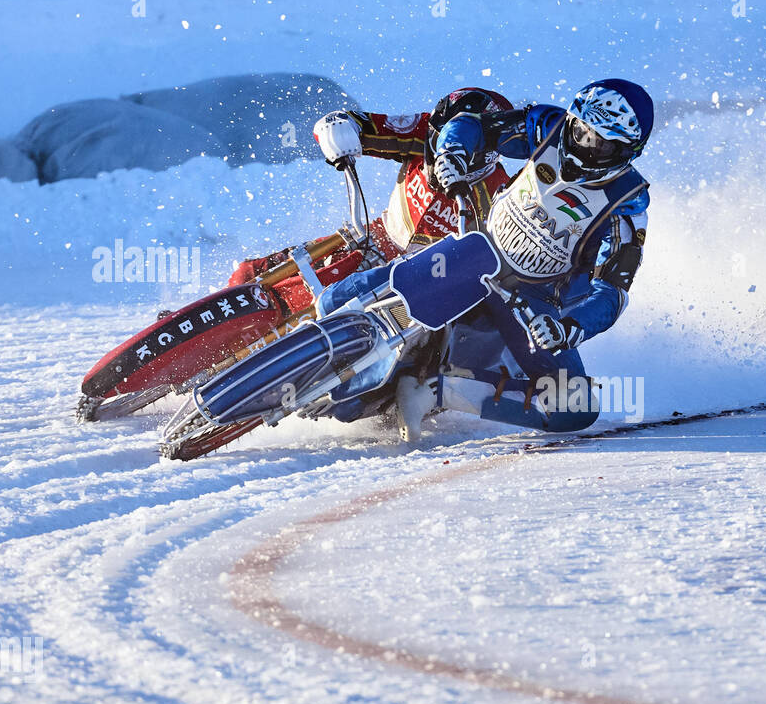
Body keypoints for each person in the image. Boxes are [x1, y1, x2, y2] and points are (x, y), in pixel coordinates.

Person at [319, 78, 654, 440]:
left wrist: (571, 328)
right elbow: (476, 125)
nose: (583, 147)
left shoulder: (627, 207)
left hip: (532, 301)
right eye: (581, 131)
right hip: (478, 252)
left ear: (626, 152)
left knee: (575, 408)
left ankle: (438, 389)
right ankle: (314, 341)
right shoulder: (548, 126)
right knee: (335, 298)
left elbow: (612, 292)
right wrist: (452, 153)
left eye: (600, 144)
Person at [224, 88, 513, 316]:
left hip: (418, 283)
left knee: (325, 310)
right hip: (371, 238)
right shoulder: (422, 130)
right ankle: (197, 325)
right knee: (259, 273)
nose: (438, 153)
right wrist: (337, 129)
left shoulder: (500, 194)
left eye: (456, 144)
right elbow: (364, 125)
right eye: (441, 136)